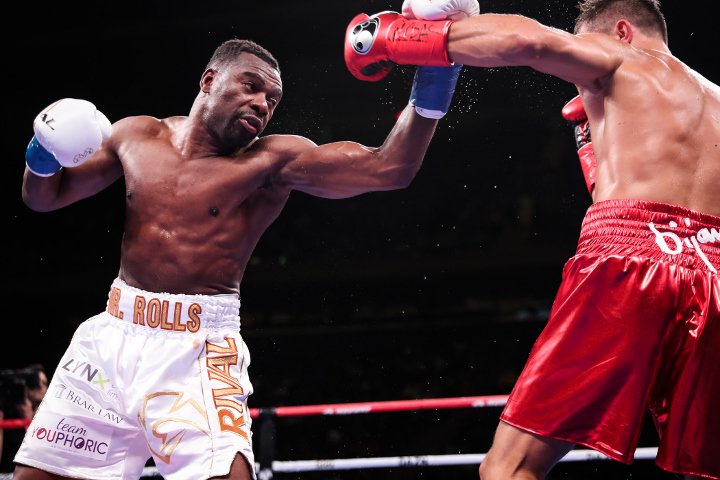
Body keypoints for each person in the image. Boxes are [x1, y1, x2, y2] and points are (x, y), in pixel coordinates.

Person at [16, 37, 464, 480]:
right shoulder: (135, 135)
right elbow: (44, 197)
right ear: (209, 80)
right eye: (251, 86)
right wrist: (42, 151)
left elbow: (389, 168)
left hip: (197, 350)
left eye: (272, 99)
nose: (262, 104)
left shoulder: (272, 163)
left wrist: (437, 70)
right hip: (112, 337)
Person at [343, 0, 719, 479]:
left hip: (629, 258)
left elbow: (529, 41)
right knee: (703, 468)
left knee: (509, 467)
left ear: (621, 31)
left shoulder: (623, 56)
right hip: (714, 273)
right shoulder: (714, 98)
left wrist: (396, 37)